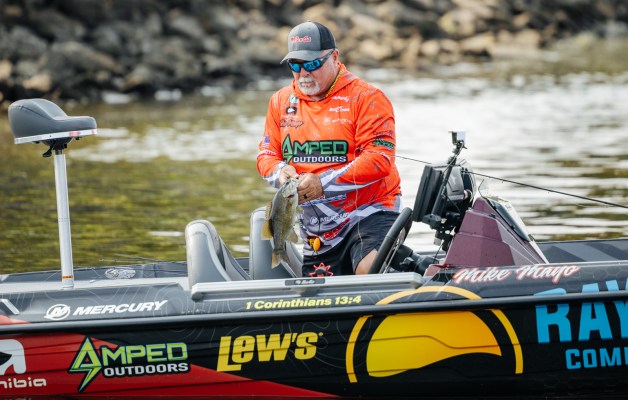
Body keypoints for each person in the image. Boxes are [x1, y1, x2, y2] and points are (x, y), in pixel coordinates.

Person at [256, 21, 401, 276]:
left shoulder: (367, 97)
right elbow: (266, 155)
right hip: (317, 228)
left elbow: (379, 159)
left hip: (369, 211)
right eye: (295, 65)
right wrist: (280, 172)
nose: (303, 73)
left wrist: (322, 183)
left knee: (369, 270)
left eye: (312, 64)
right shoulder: (280, 101)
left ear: (334, 57)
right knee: (318, 293)